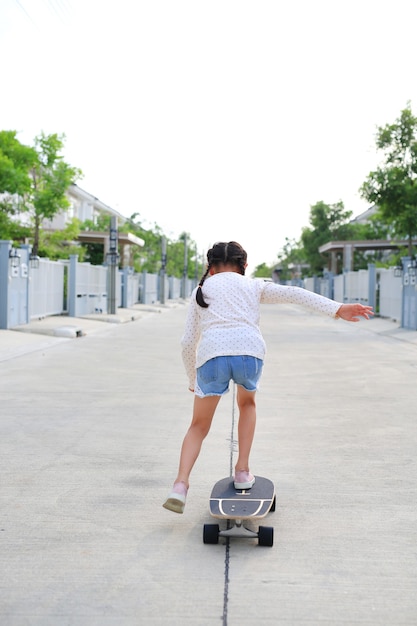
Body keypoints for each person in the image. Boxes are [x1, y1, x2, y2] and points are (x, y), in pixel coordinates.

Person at [163, 241, 374, 514]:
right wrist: (337, 308)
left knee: (198, 426)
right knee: (247, 405)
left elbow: (187, 342)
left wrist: (193, 379)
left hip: (212, 356)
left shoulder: (201, 291)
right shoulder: (253, 285)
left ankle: (180, 486)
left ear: (210, 268)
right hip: (249, 353)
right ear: (244, 266)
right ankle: (242, 472)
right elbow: (294, 294)